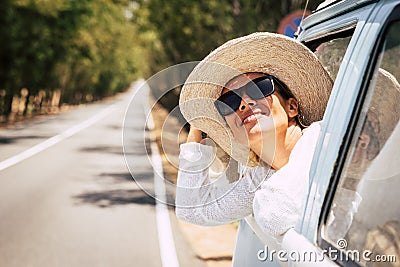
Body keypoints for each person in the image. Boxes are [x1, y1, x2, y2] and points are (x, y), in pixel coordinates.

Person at [175, 32, 333, 265]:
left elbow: (277, 212)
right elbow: (191, 209)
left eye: (258, 88)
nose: (242, 102)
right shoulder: (259, 179)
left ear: (292, 107)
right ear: (234, 134)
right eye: (228, 104)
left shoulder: (323, 143)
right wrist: (198, 126)